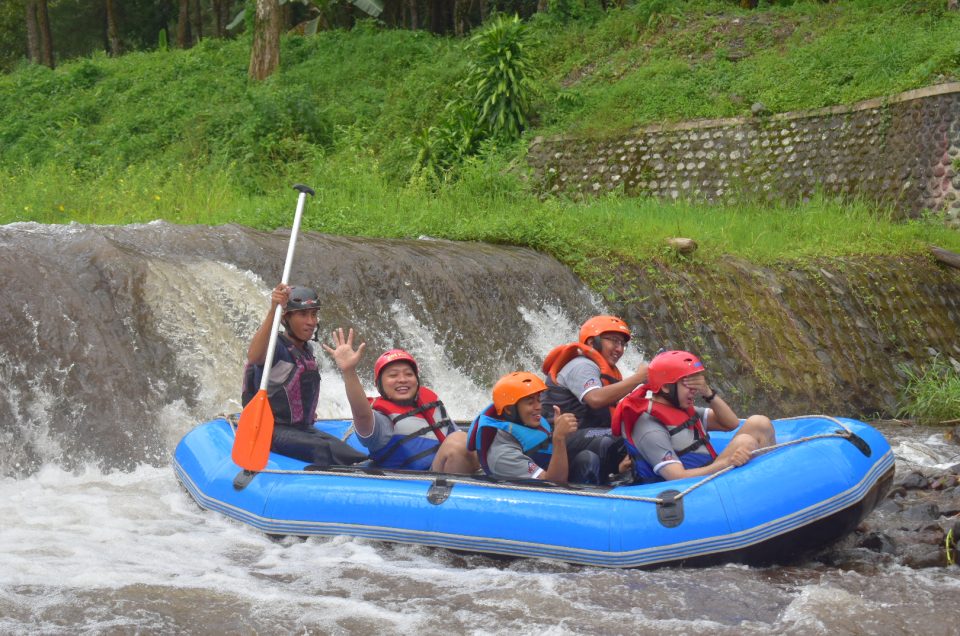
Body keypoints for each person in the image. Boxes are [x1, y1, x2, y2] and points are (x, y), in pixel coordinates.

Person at [242, 283, 368, 467]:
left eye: (313, 314)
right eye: (303, 314)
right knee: (322, 449)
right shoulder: (275, 348)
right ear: (286, 319)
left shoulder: (305, 350)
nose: (311, 321)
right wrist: (273, 311)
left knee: (349, 453)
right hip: (271, 430)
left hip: (300, 429)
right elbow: (254, 356)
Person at [323, 328, 480, 474]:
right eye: (393, 375)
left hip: (449, 472)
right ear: (379, 385)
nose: (402, 379)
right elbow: (361, 413)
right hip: (419, 484)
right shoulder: (381, 423)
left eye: (408, 374)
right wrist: (349, 371)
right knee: (459, 442)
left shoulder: (429, 400)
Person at [612, 350, 776, 482]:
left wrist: (708, 393)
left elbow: (731, 424)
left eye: (695, 383)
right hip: (693, 487)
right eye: (687, 383)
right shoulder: (649, 427)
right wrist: (727, 462)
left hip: (710, 469)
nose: (694, 389)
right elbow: (677, 477)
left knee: (760, 423)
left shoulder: (680, 407)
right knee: (744, 442)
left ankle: (772, 478)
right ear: (666, 388)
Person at [540, 315, 649, 481]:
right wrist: (639, 378)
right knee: (617, 436)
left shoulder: (602, 370)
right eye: (613, 341)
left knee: (599, 451)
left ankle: (621, 476)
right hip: (557, 440)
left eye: (622, 344)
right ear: (591, 343)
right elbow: (595, 399)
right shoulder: (582, 365)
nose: (619, 349)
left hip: (584, 437)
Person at [467, 371, 602, 484]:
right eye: (530, 402)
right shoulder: (503, 455)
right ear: (509, 410)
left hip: (547, 469)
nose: (538, 407)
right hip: (543, 498)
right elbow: (554, 485)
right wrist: (559, 438)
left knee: (602, 445)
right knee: (588, 461)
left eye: (538, 399)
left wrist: (558, 433)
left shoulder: (523, 423)